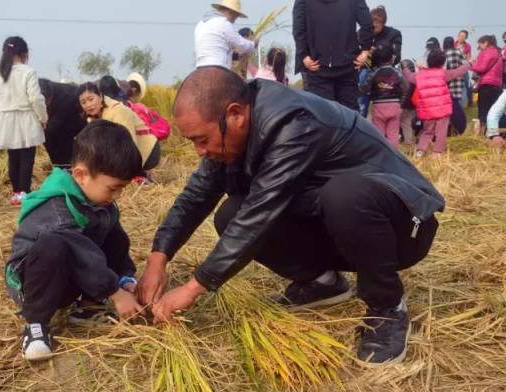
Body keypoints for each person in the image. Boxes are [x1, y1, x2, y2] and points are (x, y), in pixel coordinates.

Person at [140, 66, 444, 366]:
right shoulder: (231, 133)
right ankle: (322, 283)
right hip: (340, 227)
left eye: (202, 140)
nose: (198, 151)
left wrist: (194, 288)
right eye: (193, 142)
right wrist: (159, 258)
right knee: (231, 213)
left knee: (342, 194)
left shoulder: (292, 123)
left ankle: (387, 306)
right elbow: (196, 196)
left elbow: (260, 213)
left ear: (235, 114)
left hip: (401, 227)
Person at [5, 120, 144, 360]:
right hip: (37, 283)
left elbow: (116, 245)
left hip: (73, 272)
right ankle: (36, 326)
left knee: (111, 229)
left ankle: (88, 307)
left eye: (122, 188)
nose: (117, 195)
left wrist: (124, 277)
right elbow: (80, 253)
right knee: (56, 245)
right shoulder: (56, 207)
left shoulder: (99, 202)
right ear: (80, 175)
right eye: (112, 188)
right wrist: (115, 292)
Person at [0, 36, 48, 206]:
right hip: (26, 119)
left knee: (13, 157)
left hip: (5, 120)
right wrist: (43, 118)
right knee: (27, 158)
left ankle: (15, 193)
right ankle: (25, 193)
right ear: (25, 53)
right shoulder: (28, 72)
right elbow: (36, 98)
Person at [293, 0, 373, 111]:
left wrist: (304, 55)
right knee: (349, 115)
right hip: (347, 64)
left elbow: (298, 27)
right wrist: (365, 50)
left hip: (317, 65)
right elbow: (367, 23)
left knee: (324, 115)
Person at [402, 49, 471, 157]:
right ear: (443, 63)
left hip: (427, 110)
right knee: (441, 132)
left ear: (428, 61)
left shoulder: (420, 75)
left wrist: (405, 68)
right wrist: (469, 64)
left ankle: (420, 151)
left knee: (427, 131)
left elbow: (409, 76)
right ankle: (437, 153)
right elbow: (458, 72)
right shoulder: (443, 73)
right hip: (442, 110)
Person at [78, 82, 160, 171]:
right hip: (124, 153)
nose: (88, 105)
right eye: (83, 102)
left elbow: (129, 145)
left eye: (91, 99)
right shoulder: (93, 118)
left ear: (100, 96)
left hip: (148, 153)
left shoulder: (118, 111)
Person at [357, 5, 403, 117]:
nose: (373, 29)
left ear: (383, 23)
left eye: (376, 27)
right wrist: (367, 55)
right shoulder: (362, 34)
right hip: (366, 70)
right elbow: (357, 57)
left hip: (384, 70)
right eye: (371, 27)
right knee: (363, 76)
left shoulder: (394, 34)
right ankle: (360, 113)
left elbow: (396, 57)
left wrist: (378, 52)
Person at [359, 44, 407, 148]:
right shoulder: (397, 72)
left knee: (379, 134)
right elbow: (406, 88)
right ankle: (393, 157)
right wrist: (401, 103)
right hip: (394, 105)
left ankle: (380, 155)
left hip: (378, 106)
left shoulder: (374, 73)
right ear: (391, 58)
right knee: (393, 134)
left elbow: (364, 88)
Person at [38, 78, 86, 169]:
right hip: (60, 121)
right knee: (49, 137)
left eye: (45, 103)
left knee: (57, 136)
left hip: (75, 120)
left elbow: (52, 126)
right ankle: (58, 166)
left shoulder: (65, 96)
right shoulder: (34, 93)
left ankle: (66, 166)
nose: (44, 105)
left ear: (50, 96)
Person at [195, 0, 256, 70]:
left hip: (199, 66)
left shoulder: (200, 24)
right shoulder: (225, 24)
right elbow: (242, 45)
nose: (235, 19)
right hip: (219, 65)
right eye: (235, 16)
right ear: (230, 12)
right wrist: (254, 44)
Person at [472, 35, 504, 130]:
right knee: (494, 112)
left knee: (483, 111)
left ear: (485, 43)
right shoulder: (498, 53)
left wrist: (471, 65)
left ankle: (483, 133)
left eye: (480, 44)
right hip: (497, 85)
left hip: (486, 85)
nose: (480, 47)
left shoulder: (487, 52)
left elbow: (481, 68)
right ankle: (493, 132)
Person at [443, 37, 466, 107]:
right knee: (458, 104)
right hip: (459, 80)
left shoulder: (444, 53)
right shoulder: (459, 52)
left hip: (448, 81)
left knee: (449, 104)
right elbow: (464, 64)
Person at [399, 59, 417, 145]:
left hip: (403, 105)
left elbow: (405, 94)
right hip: (412, 106)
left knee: (401, 124)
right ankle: (409, 143)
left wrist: (400, 105)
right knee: (408, 125)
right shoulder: (415, 77)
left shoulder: (402, 78)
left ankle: (406, 143)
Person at [455, 30, 474, 107]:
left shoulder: (467, 46)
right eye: (460, 35)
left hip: (464, 67)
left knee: (466, 84)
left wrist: (468, 60)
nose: (460, 37)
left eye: (463, 36)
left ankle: (469, 101)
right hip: (455, 68)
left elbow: (469, 57)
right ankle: (459, 103)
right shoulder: (454, 44)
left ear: (466, 38)